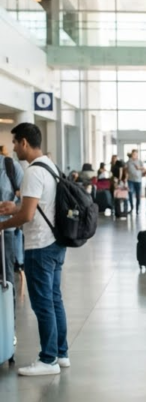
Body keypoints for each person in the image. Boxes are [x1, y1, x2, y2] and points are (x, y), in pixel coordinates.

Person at [0, 123, 69, 376]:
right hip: (56, 243)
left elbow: (28, 215)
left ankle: (47, 359)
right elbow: (36, 205)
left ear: (25, 142)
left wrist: (3, 225)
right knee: (54, 300)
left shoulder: (31, 172)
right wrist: (14, 207)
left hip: (39, 246)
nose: (14, 147)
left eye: (16, 142)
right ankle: (61, 354)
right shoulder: (49, 166)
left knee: (42, 304)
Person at [0, 148, 24, 310]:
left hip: (5, 233)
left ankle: (9, 329)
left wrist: (14, 206)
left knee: (7, 279)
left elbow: (27, 199)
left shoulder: (10, 166)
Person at [126, 149, 145, 215]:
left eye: (135, 154)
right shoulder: (129, 161)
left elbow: (144, 169)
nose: (134, 155)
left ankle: (137, 209)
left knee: (138, 195)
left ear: (137, 155)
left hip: (138, 180)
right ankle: (131, 207)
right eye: (133, 154)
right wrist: (125, 178)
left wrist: (139, 168)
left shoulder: (140, 161)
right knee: (130, 193)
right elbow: (126, 170)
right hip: (130, 180)